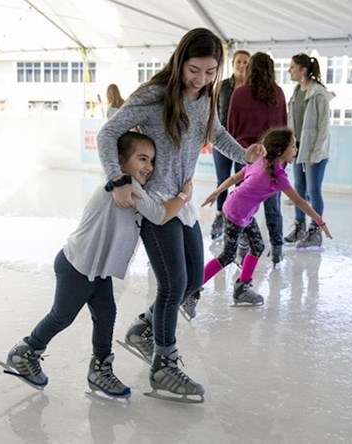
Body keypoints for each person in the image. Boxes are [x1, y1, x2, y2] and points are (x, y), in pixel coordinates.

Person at [97, 28, 265, 403]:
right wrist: (118, 180)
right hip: (154, 200)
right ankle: (163, 365)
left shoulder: (205, 97)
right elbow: (109, 133)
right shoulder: (155, 96)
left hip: (182, 199)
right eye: (194, 70)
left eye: (209, 72)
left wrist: (245, 154)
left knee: (191, 280)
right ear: (180, 61)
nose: (201, 79)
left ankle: (144, 328)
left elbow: (215, 132)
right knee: (173, 285)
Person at [0, 132, 193, 399]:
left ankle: (100, 370)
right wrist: (185, 194)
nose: (149, 166)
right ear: (121, 161)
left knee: (107, 314)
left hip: (96, 269)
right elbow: (160, 216)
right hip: (77, 266)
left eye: (152, 161)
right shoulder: (126, 186)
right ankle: (25, 352)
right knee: (62, 315)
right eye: (142, 158)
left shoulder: (133, 187)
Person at [201, 127, 332, 303]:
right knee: (228, 256)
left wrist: (217, 193)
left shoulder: (261, 162)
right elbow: (299, 201)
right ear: (280, 150)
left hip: (239, 210)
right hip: (236, 213)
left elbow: (234, 179)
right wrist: (320, 221)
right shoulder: (277, 175)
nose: (296, 150)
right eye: (293, 146)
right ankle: (193, 286)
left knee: (257, 246)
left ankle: (242, 288)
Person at [226, 52, 287, 264]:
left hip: (247, 156)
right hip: (272, 159)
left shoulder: (240, 93)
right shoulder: (278, 93)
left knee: (244, 205)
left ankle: (243, 248)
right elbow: (284, 126)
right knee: (273, 206)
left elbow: (232, 128)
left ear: (250, 68)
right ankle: (277, 250)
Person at [284, 54, 335, 248]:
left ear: (303, 70)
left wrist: (315, 153)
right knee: (299, 189)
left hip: (315, 151)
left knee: (313, 190)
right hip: (297, 149)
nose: (290, 70)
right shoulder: (297, 91)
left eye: (292, 67)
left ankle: (315, 230)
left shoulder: (319, 93)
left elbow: (323, 127)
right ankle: (299, 227)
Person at [209, 49, 250, 240]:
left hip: (244, 144)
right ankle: (220, 215)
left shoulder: (252, 88)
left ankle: (238, 219)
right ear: (233, 63)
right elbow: (213, 111)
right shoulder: (223, 86)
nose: (242, 65)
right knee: (222, 180)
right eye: (239, 62)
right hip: (223, 141)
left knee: (242, 183)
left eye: (245, 62)